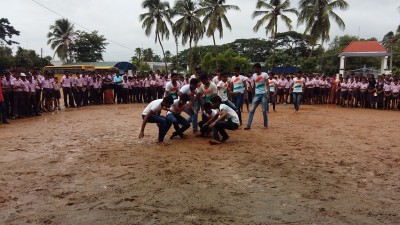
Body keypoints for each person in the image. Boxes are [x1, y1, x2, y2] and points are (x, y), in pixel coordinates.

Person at [244, 63, 270, 130]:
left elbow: (267, 84)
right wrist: (253, 94)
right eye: (254, 68)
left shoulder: (265, 74)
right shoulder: (254, 75)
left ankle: (265, 125)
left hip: (264, 94)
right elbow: (255, 85)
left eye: (255, 68)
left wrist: (268, 94)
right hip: (257, 94)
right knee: (252, 110)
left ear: (259, 68)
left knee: (264, 111)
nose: (254, 69)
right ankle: (248, 125)